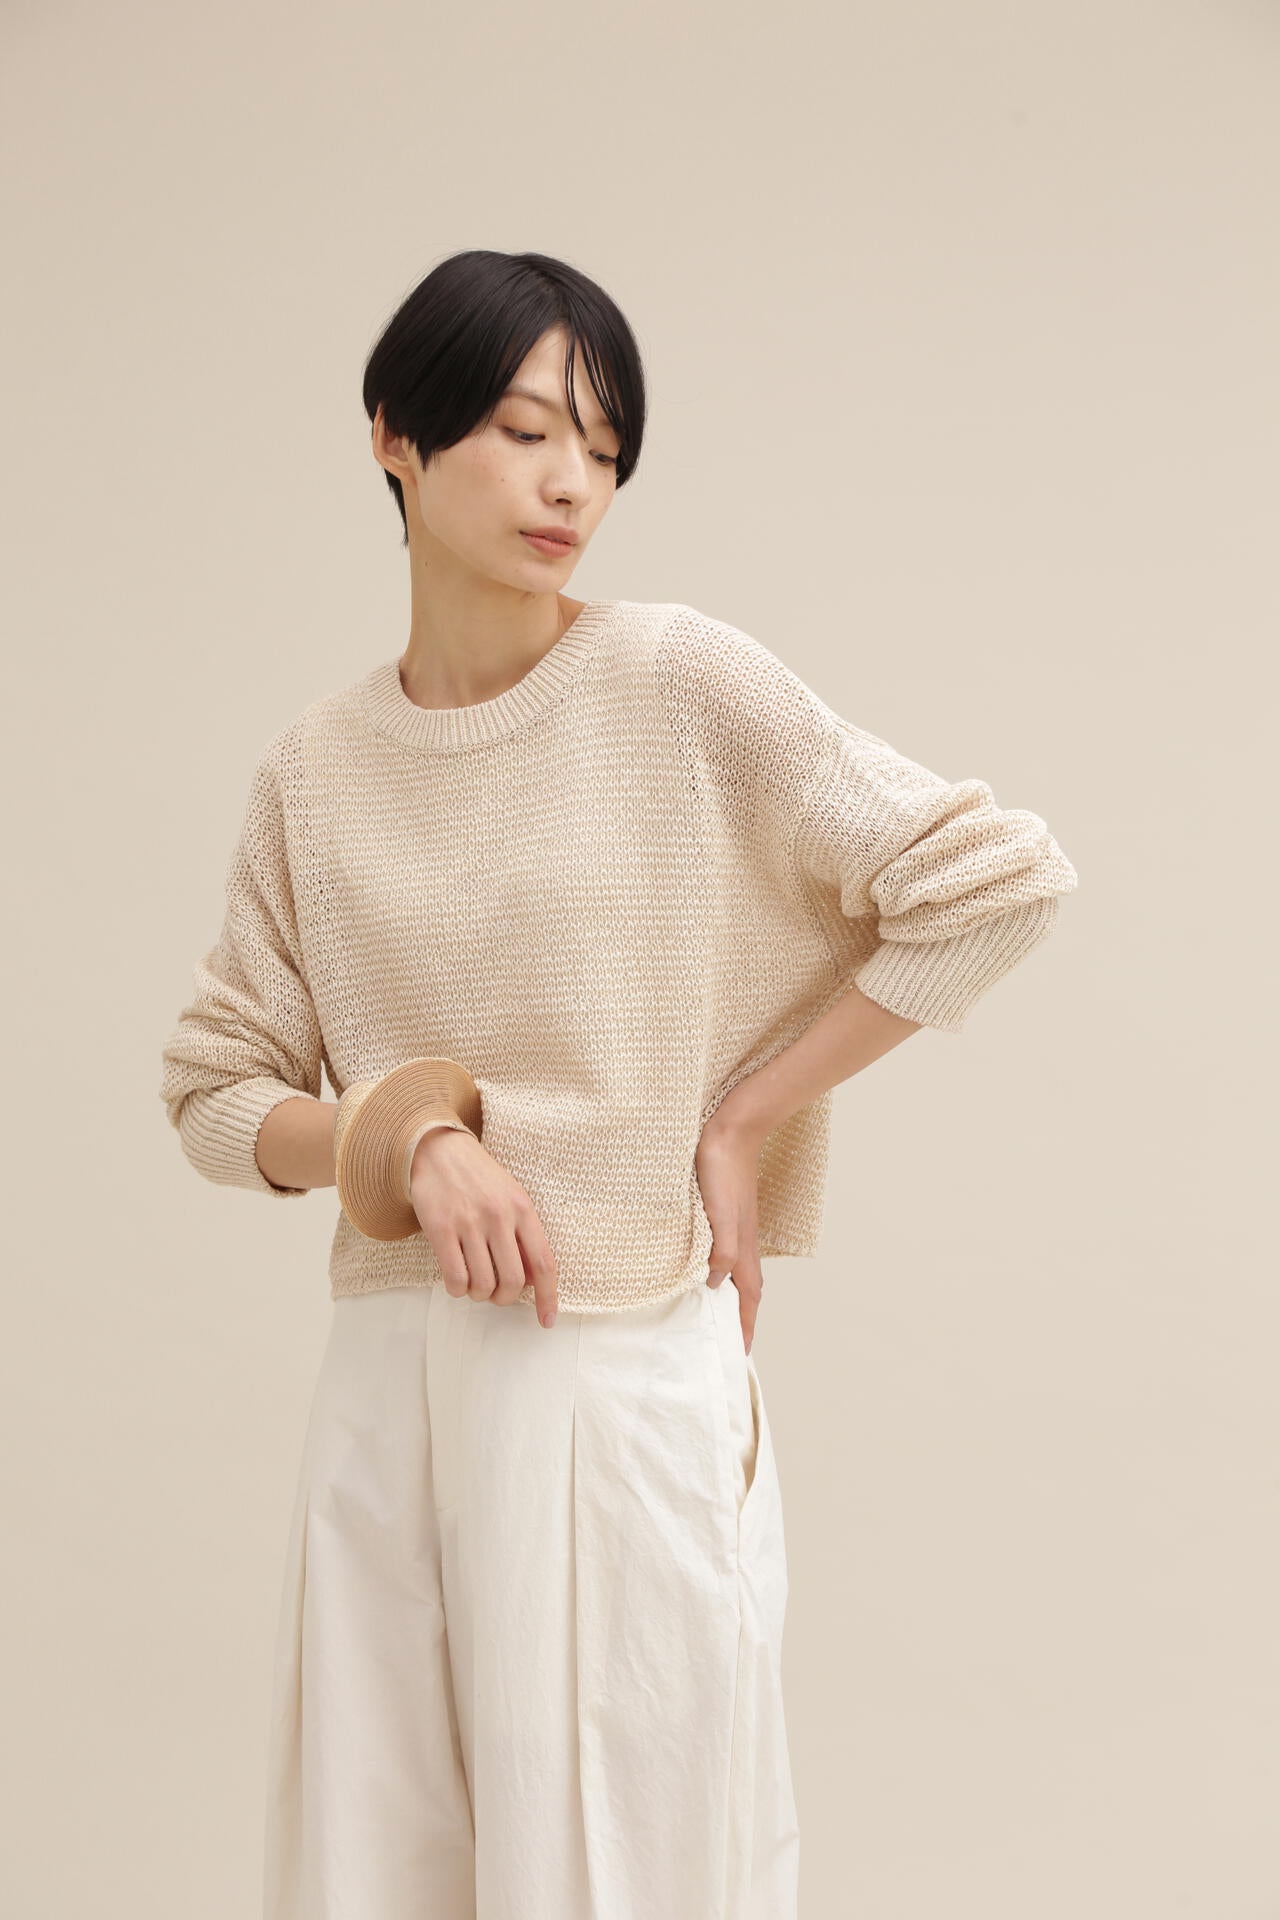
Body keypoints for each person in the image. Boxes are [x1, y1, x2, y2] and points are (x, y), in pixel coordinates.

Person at [158, 248, 1078, 1920]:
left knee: (628, 1865)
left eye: (603, 445)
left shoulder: (675, 683)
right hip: (388, 1380)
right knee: (376, 1868)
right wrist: (405, 1138)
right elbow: (219, 1093)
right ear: (395, 437)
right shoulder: (315, 770)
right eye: (523, 432)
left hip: (610, 1358)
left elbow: (995, 880)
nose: (571, 481)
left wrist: (745, 1119)